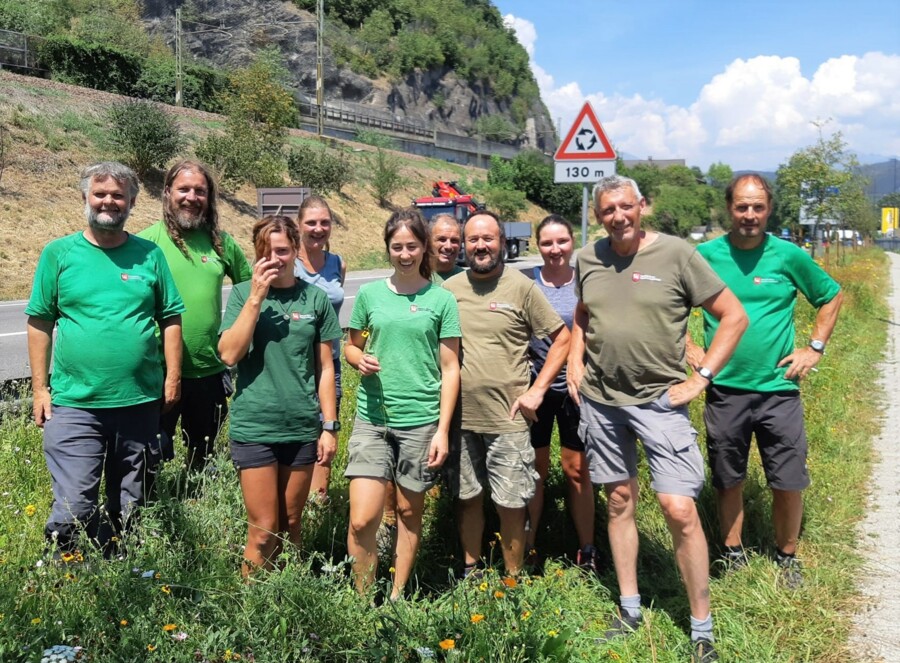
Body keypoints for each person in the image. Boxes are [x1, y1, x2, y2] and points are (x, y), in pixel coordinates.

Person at [567, 175, 747, 663]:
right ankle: (629, 608)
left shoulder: (676, 255)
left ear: (641, 206)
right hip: (604, 402)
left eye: (626, 207)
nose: (618, 217)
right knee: (620, 499)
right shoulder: (588, 258)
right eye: (608, 211)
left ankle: (701, 626)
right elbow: (584, 314)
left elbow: (733, 316)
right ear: (600, 215)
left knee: (679, 509)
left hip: (660, 402)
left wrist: (701, 378)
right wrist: (573, 361)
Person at [689, 174, 843, 588]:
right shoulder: (704, 256)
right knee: (728, 478)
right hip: (724, 388)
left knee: (788, 478)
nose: (750, 215)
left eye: (758, 207)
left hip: (779, 390)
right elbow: (668, 303)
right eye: (742, 207)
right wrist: (688, 347)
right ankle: (733, 553)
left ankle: (787, 555)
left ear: (769, 209)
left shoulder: (788, 256)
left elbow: (831, 296)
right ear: (729, 209)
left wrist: (814, 348)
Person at [26, 162, 184, 556]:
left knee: (130, 507)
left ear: (132, 201)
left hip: (138, 403)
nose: (109, 202)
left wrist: (173, 379)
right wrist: (39, 389)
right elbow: (40, 323)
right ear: (85, 198)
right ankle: (67, 578)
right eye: (100, 194)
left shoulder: (150, 256)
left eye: (118, 195)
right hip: (75, 405)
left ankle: (120, 580)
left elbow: (171, 319)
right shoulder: (59, 254)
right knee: (72, 508)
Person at [444, 211, 570, 577]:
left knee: (511, 504)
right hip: (461, 418)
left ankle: (512, 580)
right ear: (465, 246)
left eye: (488, 239)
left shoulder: (522, 287)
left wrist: (537, 391)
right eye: (473, 240)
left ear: (502, 241)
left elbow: (561, 339)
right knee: (467, 498)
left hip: (509, 421)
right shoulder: (450, 290)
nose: (481, 246)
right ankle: (471, 571)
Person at [344, 207, 461, 599]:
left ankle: (395, 595)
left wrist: (443, 431)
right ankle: (362, 598)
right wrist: (358, 358)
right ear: (387, 249)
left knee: (410, 513)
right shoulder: (369, 295)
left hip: (421, 421)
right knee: (362, 520)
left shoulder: (441, 300)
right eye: (397, 247)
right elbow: (352, 345)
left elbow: (450, 368)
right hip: (372, 419)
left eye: (412, 246)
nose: (405, 254)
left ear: (423, 247)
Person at [218, 215, 341, 577]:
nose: (274, 258)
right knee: (263, 529)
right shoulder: (242, 294)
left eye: (283, 251)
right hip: (255, 426)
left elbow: (326, 369)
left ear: (296, 250)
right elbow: (229, 354)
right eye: (266, 252)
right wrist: (256, 299)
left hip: (301, 426)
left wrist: (329, 426)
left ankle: (288, 600)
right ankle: (250, 610)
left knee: (291, 524)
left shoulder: (315, 298)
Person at [139, 160, 252, 471]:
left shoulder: (222, 244)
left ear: (209, 197)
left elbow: (250, 292)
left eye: (200, 191)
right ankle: (150, 513)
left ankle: (192, 500)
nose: (191, 197)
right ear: (166, 193)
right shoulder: (145, 244)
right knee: (149, 456)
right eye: (183, 189)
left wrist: (232, 332)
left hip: (208, 370)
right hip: (157, 371)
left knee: (202, 455)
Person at [525, 215, 596, 572]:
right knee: (535, 470)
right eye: (548, 243)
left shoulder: (585, 282)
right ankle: (529, 547)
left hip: (575, 392)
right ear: (538, 246)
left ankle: (587, 549)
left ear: (573, 243)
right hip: (534, 391)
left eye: (562, 242)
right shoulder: (527, 284)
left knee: (577, 470)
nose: (555, 250)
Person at [293, 195, 347, 503]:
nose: (318, 228)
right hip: (295, 363)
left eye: (324, 222)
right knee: (299, 430)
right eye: (311, 222)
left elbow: (336, 309)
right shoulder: (288, 261)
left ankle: (318, 499)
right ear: (299, 225)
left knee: (327, 426)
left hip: (331, 362)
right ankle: (295, 498)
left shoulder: (337, 263)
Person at [429, 213, 464, 282]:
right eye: (442, 239)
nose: (448, 246)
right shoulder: (416, 277)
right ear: (429, 240)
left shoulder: (466, 280)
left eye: (454, 240)